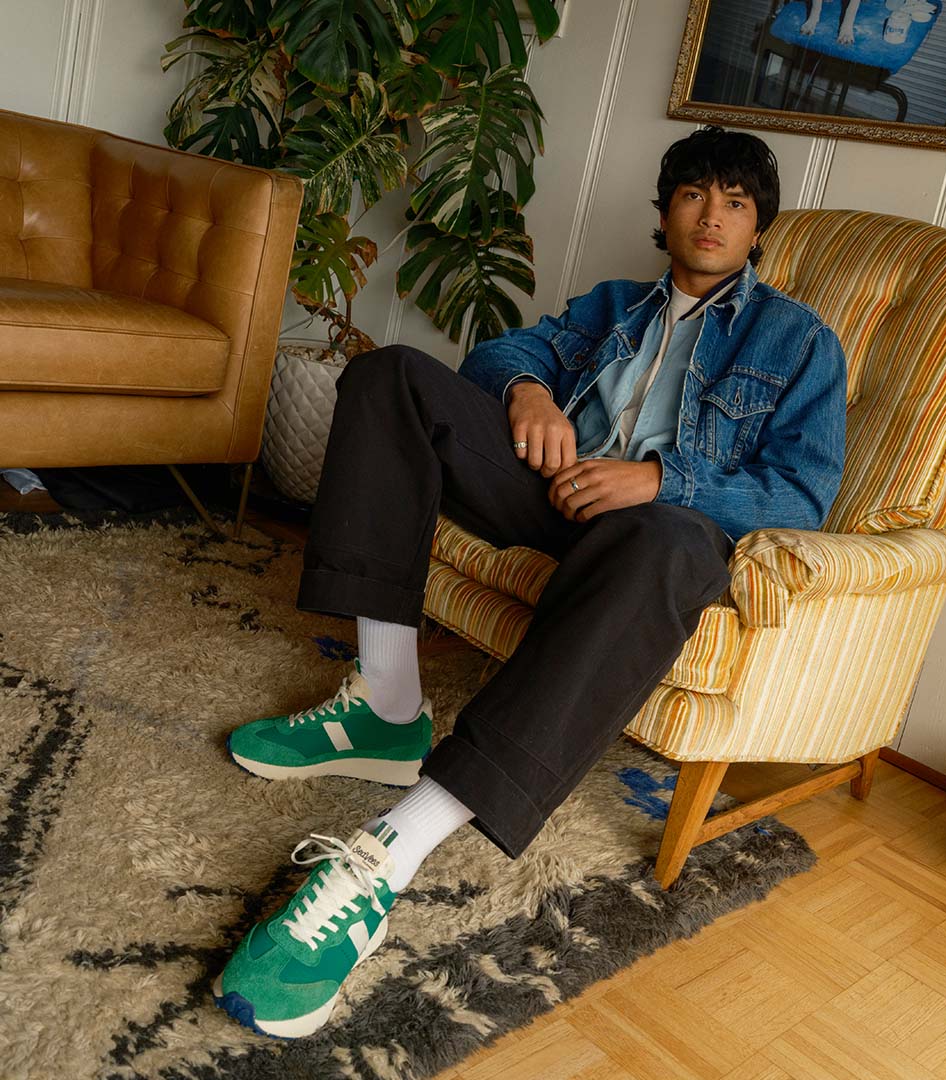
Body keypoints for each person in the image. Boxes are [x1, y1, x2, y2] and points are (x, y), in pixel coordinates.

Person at [213, 127, 848, 1038]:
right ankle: (386, 703)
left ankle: (390, 853)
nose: (713, 215)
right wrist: (528, 394)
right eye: (695, 195)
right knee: (392, 373)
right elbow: (510, 352)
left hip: (660, 530)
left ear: (758, 229)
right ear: (665, 213)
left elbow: (803, 491)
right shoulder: (615, 305)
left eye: (737, 203)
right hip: (555, 489)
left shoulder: (797, 341)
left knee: (671, 545)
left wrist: (664, 481)